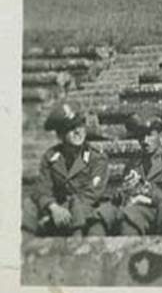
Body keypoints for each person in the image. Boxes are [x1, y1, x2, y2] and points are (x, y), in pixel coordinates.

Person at [23, 101, 117, 237]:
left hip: (88, 213)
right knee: (28, 206)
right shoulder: (51, 157)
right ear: (60, 135)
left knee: (90, 226)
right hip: (58, 212)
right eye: (70, 128)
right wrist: (53, 208)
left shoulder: (97, 157)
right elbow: (42, 189)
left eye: (80, 125)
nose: (77, 131)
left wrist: (62, 210)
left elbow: (90, 196)